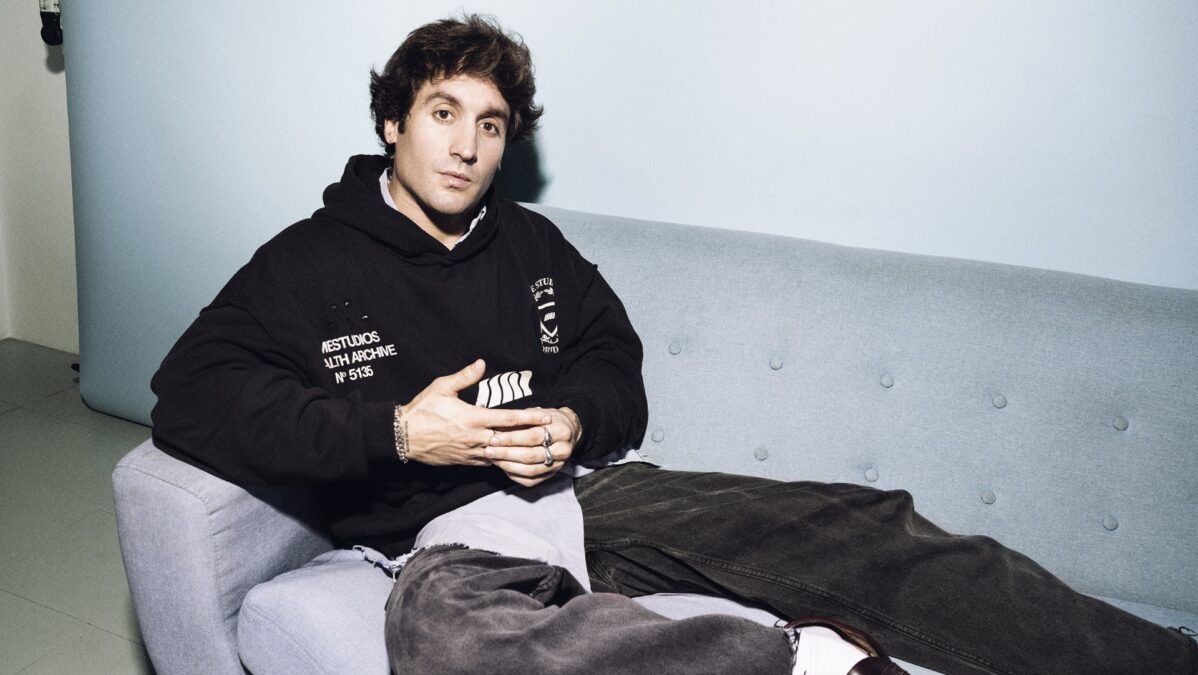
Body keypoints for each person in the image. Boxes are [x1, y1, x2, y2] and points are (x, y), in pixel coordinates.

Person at [150, 14, 1197, 675]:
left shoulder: (531, 244)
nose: (466, 145)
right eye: (442, 112)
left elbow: (617, 366)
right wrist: (400, 434)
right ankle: (805, 662)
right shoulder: (310, 262)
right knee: (450, 642)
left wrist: (575, 418)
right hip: (442, 536)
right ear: (393, 122)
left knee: (860, 522)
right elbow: (189, 394)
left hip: (593, 496)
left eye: (492, 124)